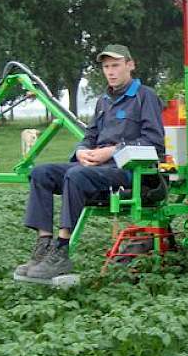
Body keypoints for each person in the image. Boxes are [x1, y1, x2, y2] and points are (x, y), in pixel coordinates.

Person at [17, 44, 165, 279]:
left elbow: (154, 143)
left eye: (115, 65)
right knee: (41, 173)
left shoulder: (145, 97)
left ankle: (61, 251)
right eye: (106, 67)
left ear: (130, 65)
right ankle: (43, 246)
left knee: (75, 176)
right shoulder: (103, 101)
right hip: (96, 169)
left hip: (127, 173)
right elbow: (90, 136)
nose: (110, 72)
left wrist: (112, 152)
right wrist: (82, 151)